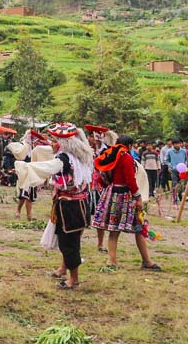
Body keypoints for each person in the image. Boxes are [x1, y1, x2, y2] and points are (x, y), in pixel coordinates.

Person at [92, 135, 161, 271]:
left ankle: (112, 261)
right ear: (130, 146)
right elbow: (130, 180)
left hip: (112, 194)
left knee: (115, 229)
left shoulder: (111, 155)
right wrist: (138, 197)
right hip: (125, 196)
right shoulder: (126, 157)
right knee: (138, 227)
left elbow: (102, 175)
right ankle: (146, 261)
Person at [42, 123, 94, 290]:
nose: (51, 143)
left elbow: (59, 179)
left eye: (54, 140)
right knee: (72, 239)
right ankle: (63, 269)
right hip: (81, 204)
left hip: (69, 206)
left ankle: (74, 279)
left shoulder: (63, 158)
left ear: (62, 143)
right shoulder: (79, 156)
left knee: (68, 242)